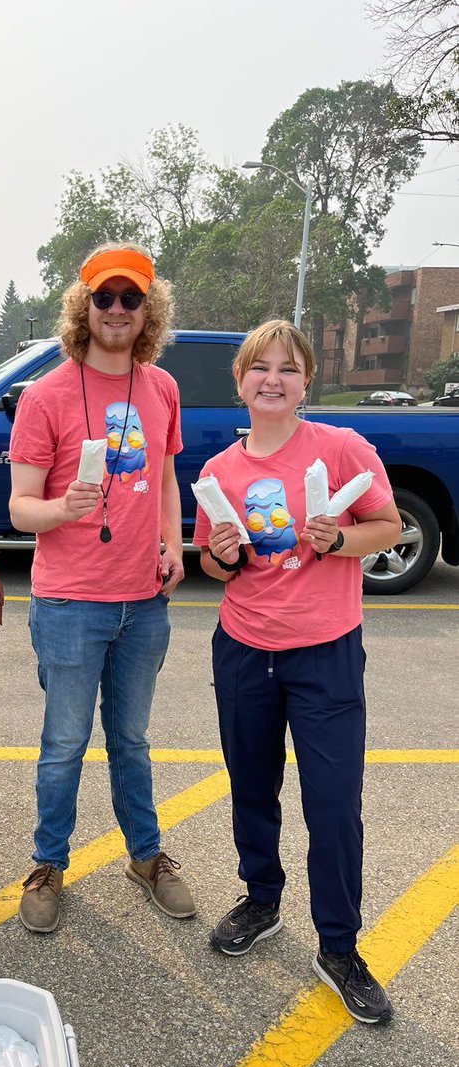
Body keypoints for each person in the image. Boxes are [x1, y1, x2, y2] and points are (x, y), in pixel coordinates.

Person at [195, 318, 402, 1024]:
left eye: (288, 368)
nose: (273, 379)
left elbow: (388, 526)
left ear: (306, 380)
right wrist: (222, 553)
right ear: (241, 382)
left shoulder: (342, 449)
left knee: (334, 804)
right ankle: (262, 898)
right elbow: (213, 562)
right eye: (260, 367)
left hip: (326, 652)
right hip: (244, 647)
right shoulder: (220, 471)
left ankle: (338, 947)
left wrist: (338, 538)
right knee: (252, 786)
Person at [8, 243, 195, 934]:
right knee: (63, 744)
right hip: (69, 602)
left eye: (131, 298)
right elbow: (20, 508)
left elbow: (167, 476)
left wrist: (173, 543)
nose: (117, 309)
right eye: (104, 297)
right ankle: (47, 864)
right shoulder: (46, 395)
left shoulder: (161, 387)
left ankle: (145, 858)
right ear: (83, 307)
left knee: (132, 740)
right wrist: (63, 509)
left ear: (149, 309)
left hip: (143, 602)